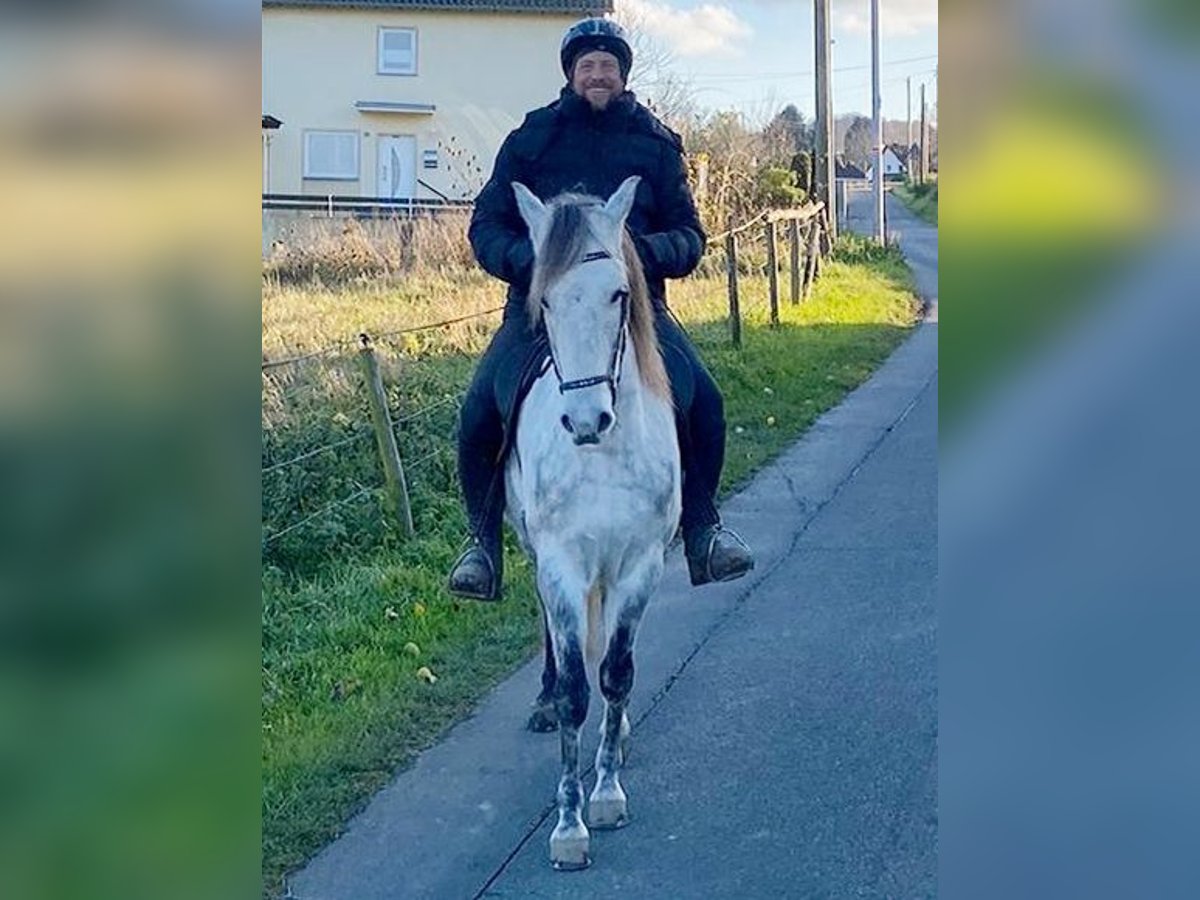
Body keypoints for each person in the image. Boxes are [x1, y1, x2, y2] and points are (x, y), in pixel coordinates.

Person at [448, 16, 753, 601]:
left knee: (705, 402)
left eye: (607, 65)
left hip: (633, 310)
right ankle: (482, 547)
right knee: (478, 414)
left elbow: (690, 233)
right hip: (541, 310)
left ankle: (702, 529)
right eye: (586, 64)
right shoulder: (531, 139)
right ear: (570, 73)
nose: (597, 74)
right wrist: (533, 264)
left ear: (622, 74)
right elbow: (486, 225)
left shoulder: (656, 143)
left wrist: (638, 255)